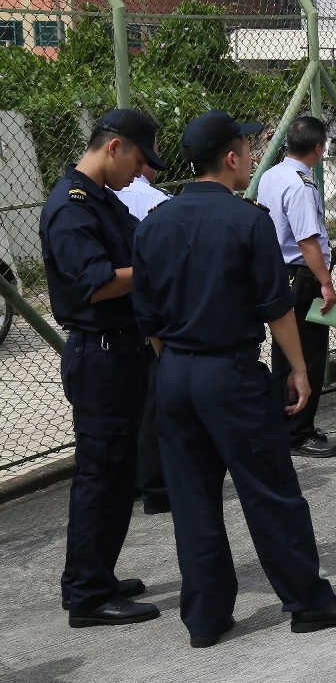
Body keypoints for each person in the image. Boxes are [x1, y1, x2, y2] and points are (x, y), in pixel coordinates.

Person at [133, 109, 336, 647]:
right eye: (244, 146)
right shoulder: (248, 221)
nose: (248, 155)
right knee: (270, 491)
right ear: (231, 158)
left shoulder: (153, 224)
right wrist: (301, 371)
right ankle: (308, 601)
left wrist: (176, 362)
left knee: (193, 499)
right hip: (231, 372)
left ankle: (206, 617)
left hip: (173, 373)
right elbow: (276, 307)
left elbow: (147, 320)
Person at [41, 109, 166, 627]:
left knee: (117, 473)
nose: (140, 174)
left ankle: (95, 574)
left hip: (119, 349)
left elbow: (144, 237)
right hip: (101, 353)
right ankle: (87, 595)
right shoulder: (71, 207)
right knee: (102, 472)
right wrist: (158, 269)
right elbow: (94, 282)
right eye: (137, 161)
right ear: (113, 147)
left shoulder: (99, 200)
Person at [256, 115, 336, 458]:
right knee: (310, 354)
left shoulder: (271, 175)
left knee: (285, 354)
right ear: (319, 149)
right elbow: (307, 241)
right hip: (303, 277)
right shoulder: (300, 184)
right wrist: (326, 282)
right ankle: (299, 430)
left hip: (279, 273)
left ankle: (285, 422)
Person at [112, 153, 170, 516]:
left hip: (115, 312)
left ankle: (131, 480)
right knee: (152, 398)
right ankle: (156, 486)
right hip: (149, 307)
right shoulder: (157, 201)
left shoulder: (104, 197)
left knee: (126, 400)